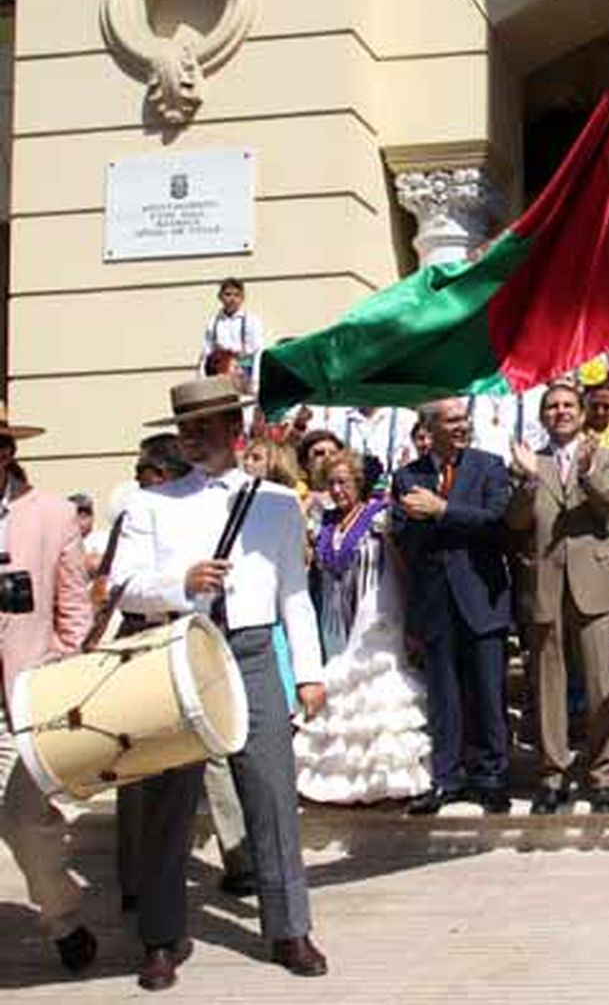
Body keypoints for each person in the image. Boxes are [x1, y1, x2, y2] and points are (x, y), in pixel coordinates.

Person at [114, 376, 329, 989]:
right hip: (181, 652)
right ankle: (159, 937)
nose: (192, 437)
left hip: (255, 650)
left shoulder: (278, 503)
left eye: (205, 427)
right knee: (167, 799)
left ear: (235, 433)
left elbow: (295, 592)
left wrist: (309, 674)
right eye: (186, 428)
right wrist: (180, 581)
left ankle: (289, 928)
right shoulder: (149, 502)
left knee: (271, 791)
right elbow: (123, 584)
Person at [0, 405, 98, 974]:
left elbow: (74, 609)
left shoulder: (51, 514)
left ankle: (62, 917)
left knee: (24, 821)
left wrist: (59, 670)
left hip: (27, 697)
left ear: (7, 451)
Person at [392, 398, 512, 816]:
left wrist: (441, 510)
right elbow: (405, 539)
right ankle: (448, 778)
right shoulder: (407, 477)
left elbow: (496, 522)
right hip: (435, 598)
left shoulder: (489, 466)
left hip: (481, 593)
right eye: (452, 420)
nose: (462, 426)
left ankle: (492, 776)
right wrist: (413, 519)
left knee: (488, 690)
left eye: (464, 418)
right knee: (443, 694)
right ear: (430, 428)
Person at [507, 383, 609, 814]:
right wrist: (526, 480)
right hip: (544, 583)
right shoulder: (526, 462)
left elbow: (608, 508)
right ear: (542, 416)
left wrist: (590, 473)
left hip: (592, 580)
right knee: (547, 686)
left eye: (568, 405)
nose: (561, 412)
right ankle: (552, 776)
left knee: (599, 685)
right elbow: (517, 522)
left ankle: (601, 775)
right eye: (552, 406)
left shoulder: (605, 457)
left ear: (581, 411)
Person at [295, 451, 430, 803]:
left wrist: (412, 616)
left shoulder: (378, 518)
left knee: (376, 696)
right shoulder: (323, 522)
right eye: (332, 483)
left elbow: (402, 565)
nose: (338, 490)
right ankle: (342, 780)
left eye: (345, 482)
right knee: (339, 697)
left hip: (376, 613)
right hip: (334, 618)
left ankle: (386, 779)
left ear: (359, 483)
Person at [198, 277, 266, 389]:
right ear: (220, 297)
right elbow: (206, 354)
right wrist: (202, 381)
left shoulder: (251, 321)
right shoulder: (213, 322)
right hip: (219, 377)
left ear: (242, 298)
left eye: (236, 295)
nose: (232, 299)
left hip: (244, 375)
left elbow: (258, 352)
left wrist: (256, 382)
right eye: (228, 294)